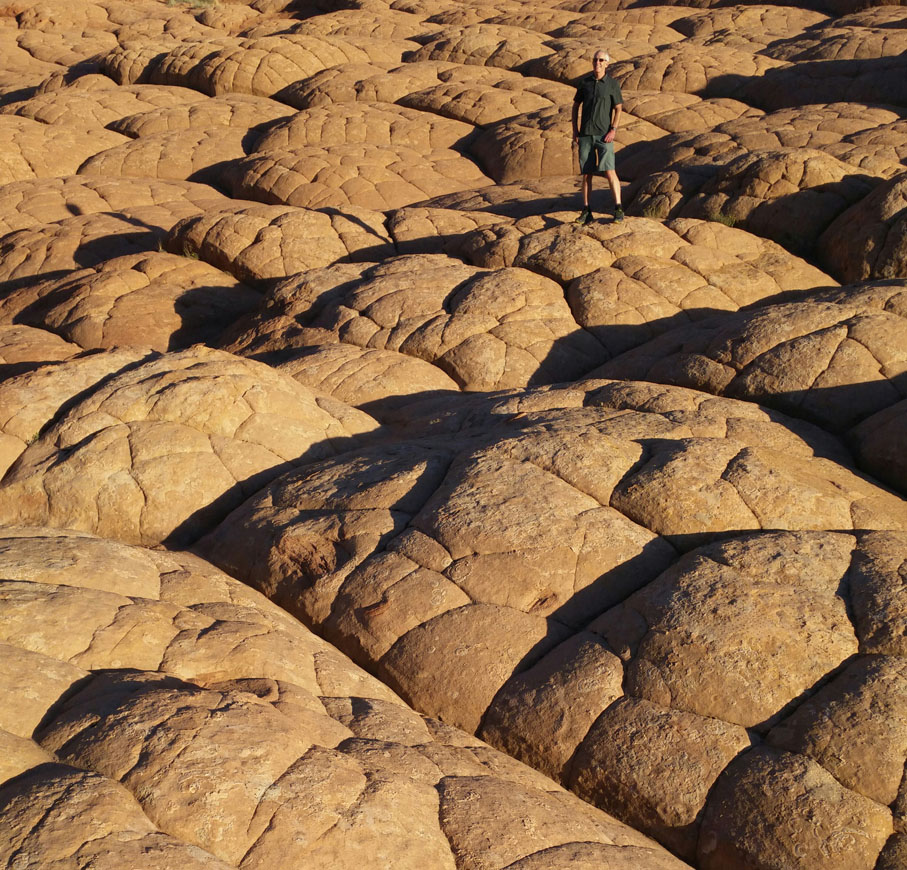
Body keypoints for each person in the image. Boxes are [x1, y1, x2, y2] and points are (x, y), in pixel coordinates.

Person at [571, 50, 624, 225]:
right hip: (586, 134)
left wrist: (613, 130)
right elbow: (575, 106)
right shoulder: (584, 83)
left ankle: (618, 209)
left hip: (604, 136)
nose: (598, 62)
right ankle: (586, 211)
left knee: (610, 171)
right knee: (586, 175)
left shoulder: (612, 84)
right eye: (595, 59)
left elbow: (618, 108)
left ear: (607, 64)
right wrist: (575, 131)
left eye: (601, 60)